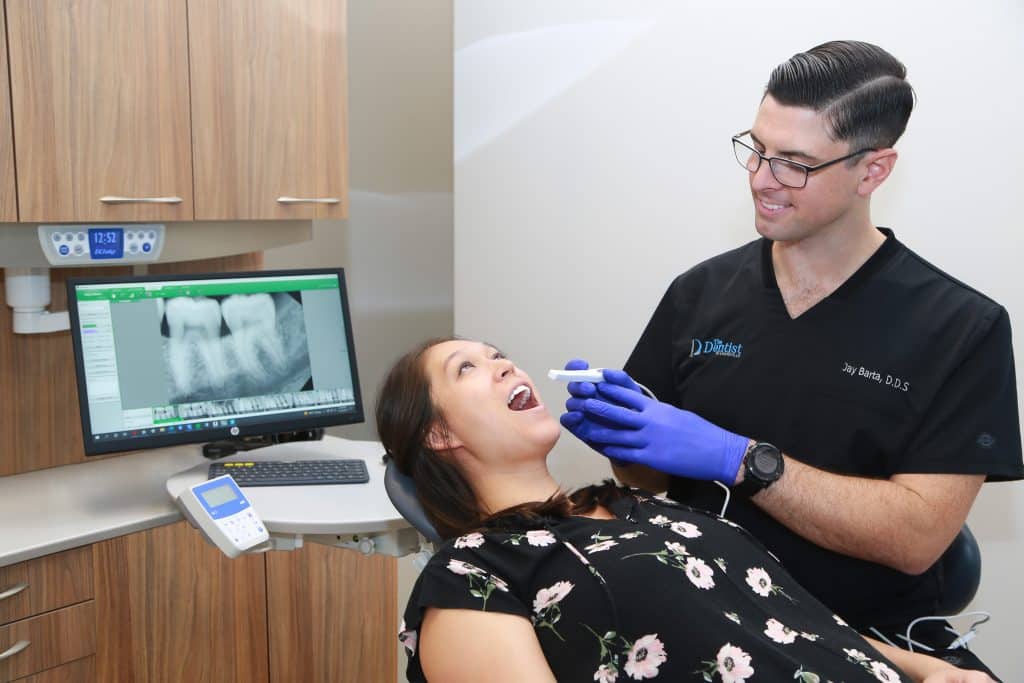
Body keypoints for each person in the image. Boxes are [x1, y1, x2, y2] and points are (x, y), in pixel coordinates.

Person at [559, 39, 1024, 660]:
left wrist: (741, 459)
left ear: (873, 170)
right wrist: (625, 435)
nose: (761, 179)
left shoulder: (961, 327)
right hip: (703, 624)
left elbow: (916, 538)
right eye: (756, 149)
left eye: (795, 164)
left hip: (867, 642)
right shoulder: (700, 292)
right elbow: (650, 480)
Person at [378, 337, 995, 682]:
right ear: (436, 435)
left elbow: (783, 619)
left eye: (497, 353)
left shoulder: (633, 504)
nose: (503, 363)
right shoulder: (475, 578)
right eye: (469, 368)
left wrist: (933, 671)